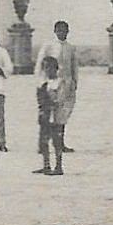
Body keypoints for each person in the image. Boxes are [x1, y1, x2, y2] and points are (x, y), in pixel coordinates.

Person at [34, 20, 79, 152]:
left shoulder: (71, 48)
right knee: (47, 114)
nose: (62, 33)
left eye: (64, 31)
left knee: (62, 114)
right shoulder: (48, 46)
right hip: (50, 84)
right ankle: (43, 145)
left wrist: (75, 82)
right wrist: (42, 83)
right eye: (59, 31)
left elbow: (74, 66)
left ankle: (60, 143)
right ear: (55, 31)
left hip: (66, 84)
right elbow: (40, 65)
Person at [34, 54, 65, 175]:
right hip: (45, 114)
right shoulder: (42, 82)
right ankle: (46, 164)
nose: (48, 70)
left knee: (56, 140)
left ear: (56, 68)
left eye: (51, 68)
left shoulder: (60, 83)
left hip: (55, 114)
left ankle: (58, 166)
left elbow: (60, 99)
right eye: (45, 68)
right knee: (43, 140)